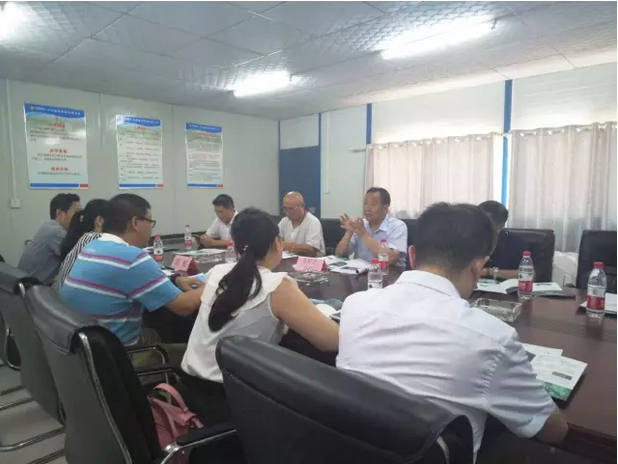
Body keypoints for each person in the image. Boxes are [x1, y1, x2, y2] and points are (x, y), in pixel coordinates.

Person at [337, 203, 567, 459]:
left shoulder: (354, 306)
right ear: (478, 266)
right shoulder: (492, 338)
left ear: (411, 256)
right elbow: (553, 430)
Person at [182, 207, 339, 424]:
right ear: (276, 244)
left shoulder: (218, 272)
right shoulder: (277, 285)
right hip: (232, 401)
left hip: (189, 387)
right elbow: (332, 341)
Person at [60, 194, 203, 355]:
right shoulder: (133, 258)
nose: (151, 229)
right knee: (195, 353)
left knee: (156, 330)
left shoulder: (92, 246)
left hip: (83, 350)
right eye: (150, 222)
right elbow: (184, 306)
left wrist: (176, 280)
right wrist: (213, 282)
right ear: (135, 223)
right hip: (119, 356)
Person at [18, 193, 82, 285]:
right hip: (33, 289)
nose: (80, 219)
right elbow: (81, 258)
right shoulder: (56, 232)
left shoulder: (48, 226)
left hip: (29, 285)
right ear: (59, 213)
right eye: (77, 214)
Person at [335, 187, 407, 267]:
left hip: (388, 272)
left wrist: (364, 235)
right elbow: (339, 254)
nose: (367, 208)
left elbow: (391, 258)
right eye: (365, 204)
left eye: (373, 204)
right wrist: (349, 233)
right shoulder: (361, 225)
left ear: (385, 208)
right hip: (360, 272)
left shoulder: (397, 226)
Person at [53, 199, 107, 291]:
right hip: (66, 296)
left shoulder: (85, 237)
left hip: (58, 294)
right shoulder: (96, 239)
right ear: (100, 220)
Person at [478, 200, 526, 280]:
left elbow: (526, 274)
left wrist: (488, 272)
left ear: (501, 225)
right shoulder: (467, 240)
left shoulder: (515, 243)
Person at [278, 192, 325, 256]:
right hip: (289, 258)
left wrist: (286, 245)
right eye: (285, 209)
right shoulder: (284, 221)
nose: (287, 212)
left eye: (291, 209)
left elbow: (311, 249)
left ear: (302, 206)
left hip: (311, 259)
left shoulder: (313, 222)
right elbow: (276, 239)